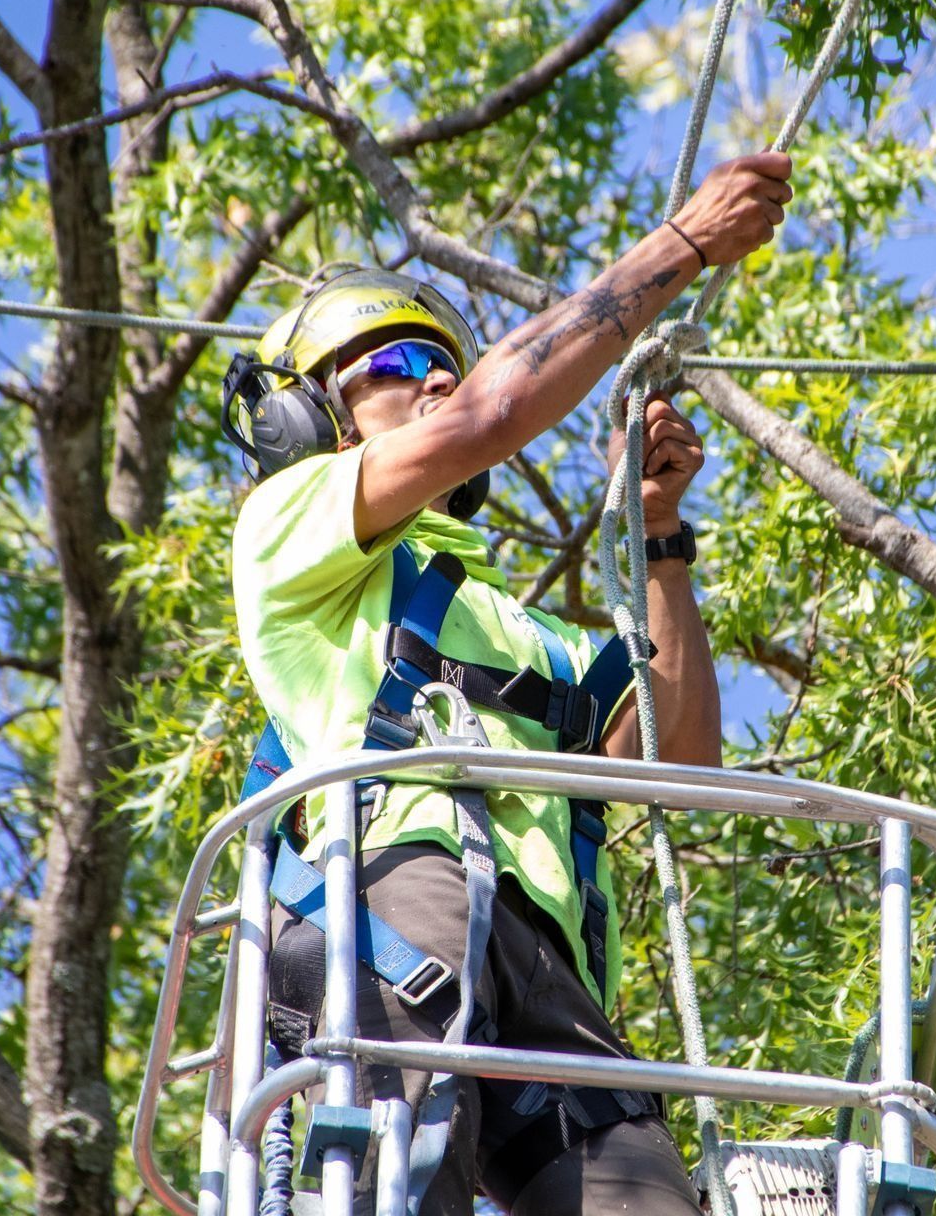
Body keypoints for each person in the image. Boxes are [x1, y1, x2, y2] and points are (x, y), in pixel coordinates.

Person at [226, 152, 793, 1216]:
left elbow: (677, 762)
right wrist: (680, 245)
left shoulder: (526, 632)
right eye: (394, 359)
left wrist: (661, 535)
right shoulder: (292, 529)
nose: (435, 376)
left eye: (447, 360)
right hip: (406, 895)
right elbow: (490, 413)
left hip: (550, 972)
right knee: (407, 1175)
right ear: (309, 417)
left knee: (649, 1198)